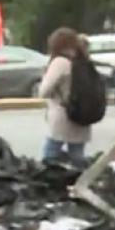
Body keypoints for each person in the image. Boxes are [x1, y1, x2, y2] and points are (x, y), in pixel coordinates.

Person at [38, 27, 91, 164]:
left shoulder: (60, 62)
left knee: (49, 157)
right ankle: (79, 182)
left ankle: (54, 184)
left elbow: (43, 92)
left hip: (63, 117)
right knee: (77, 158)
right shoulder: (83, 60)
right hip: (82, 115)